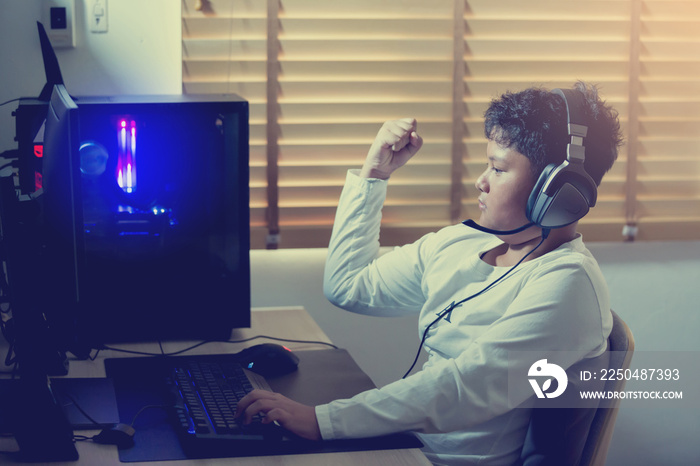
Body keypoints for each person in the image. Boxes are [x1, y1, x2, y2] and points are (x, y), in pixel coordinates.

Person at [236, 82, 624, 465]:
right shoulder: (464, 242)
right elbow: (347, 287)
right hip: (403, 446)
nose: (481, 180)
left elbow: (466, 386)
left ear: (559, 191)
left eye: (498, 168)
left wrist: (321, 420)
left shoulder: (568, 283)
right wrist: (374, 175)